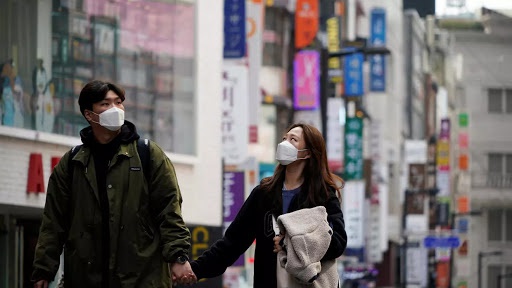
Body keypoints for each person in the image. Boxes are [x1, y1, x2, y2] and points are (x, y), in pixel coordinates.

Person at [32, 80, 196, 288]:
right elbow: (53, 222)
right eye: (105, 104)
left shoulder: (147, 154)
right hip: (86, 278)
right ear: (89, 114)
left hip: (142, 278)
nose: (115, 109)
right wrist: (43, 270)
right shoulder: (72, 163)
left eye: (118, 102)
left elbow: (169, 210)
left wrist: (178, 257)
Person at [185, 123, 347, 287]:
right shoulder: (263, 194)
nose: (284, 143)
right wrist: (193, 270)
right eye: (284, 138)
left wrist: (290, 243)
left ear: (308, 153)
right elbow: (232, 244)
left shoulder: (322, 196)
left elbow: (338, 243)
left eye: (293, 140)